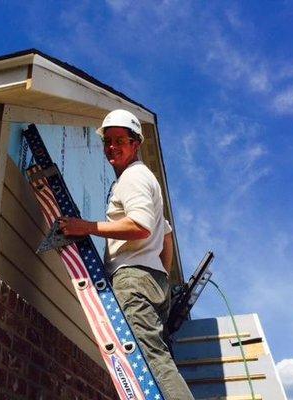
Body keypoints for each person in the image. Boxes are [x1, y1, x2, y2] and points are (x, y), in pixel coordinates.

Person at [57, 109, 194, 400]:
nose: (111, 147)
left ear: (136, 144)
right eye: (107, 141)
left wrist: (87, 227)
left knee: (151, 360)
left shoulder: (133, 177)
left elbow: (141, 227)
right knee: (156, 356)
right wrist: (161, 274)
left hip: (133, 279)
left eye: (120, 139)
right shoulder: (142, 179)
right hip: (149, 278)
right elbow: (165, 233)